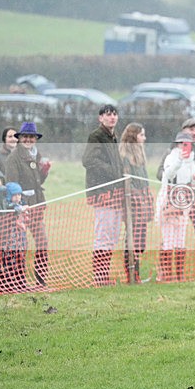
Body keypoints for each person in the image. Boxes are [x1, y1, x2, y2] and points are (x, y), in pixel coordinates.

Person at [157, 117, 195, 280]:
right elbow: (160, 174)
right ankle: (164, 271)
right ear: (183, 131)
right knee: (169, 237)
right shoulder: (171, 152)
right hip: (175, 199)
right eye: (191, 129)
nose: (194, 132)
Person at [5, 121, 51, 287]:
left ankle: (41, 279)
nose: (28, 139)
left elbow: (37, 181)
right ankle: (19, 280)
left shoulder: (36, 155)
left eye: (32, 137)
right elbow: (11, 185)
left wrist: (44, 172)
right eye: (25, 136)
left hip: (37, 206)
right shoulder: (13, 158)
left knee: (42, 243)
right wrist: (20, 206)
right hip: (22, 208)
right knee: (20, 245)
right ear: (20, 138)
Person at [82, 104, 124, 286]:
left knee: (112, 236)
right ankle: (99, 278)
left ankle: (103, 276)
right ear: (101, 118)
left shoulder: (113, 137)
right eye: (108, 114)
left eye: (114, 114)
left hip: (114, 191)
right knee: (103, 235)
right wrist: (112, 171)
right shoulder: (96, 136)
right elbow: (88, 160)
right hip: (102, 191)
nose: (112, 117)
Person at [156, 131, 195, 282]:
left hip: (183, 203)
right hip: (168, 201)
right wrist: (179, 160)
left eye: (186, 143)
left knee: (181, 239)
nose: (184, 146)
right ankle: (167, 274)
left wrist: (194, 180)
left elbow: (186, 181)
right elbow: (168, 175)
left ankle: (179, 274)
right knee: (168, 239)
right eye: (181, 143)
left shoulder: (191, 160)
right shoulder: (171, 157)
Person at [119, 122, 154, 282]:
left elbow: (144, 178)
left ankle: (137, 273)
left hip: (143, 200)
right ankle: (131, 274)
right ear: (134, 136)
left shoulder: (140, 154)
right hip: (132, 202)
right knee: (132, 239)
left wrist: (148, 195)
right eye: (141, 135)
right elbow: (127, 181)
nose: (144, 138)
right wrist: (137, 196)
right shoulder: (125, 156)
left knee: (141, 239)